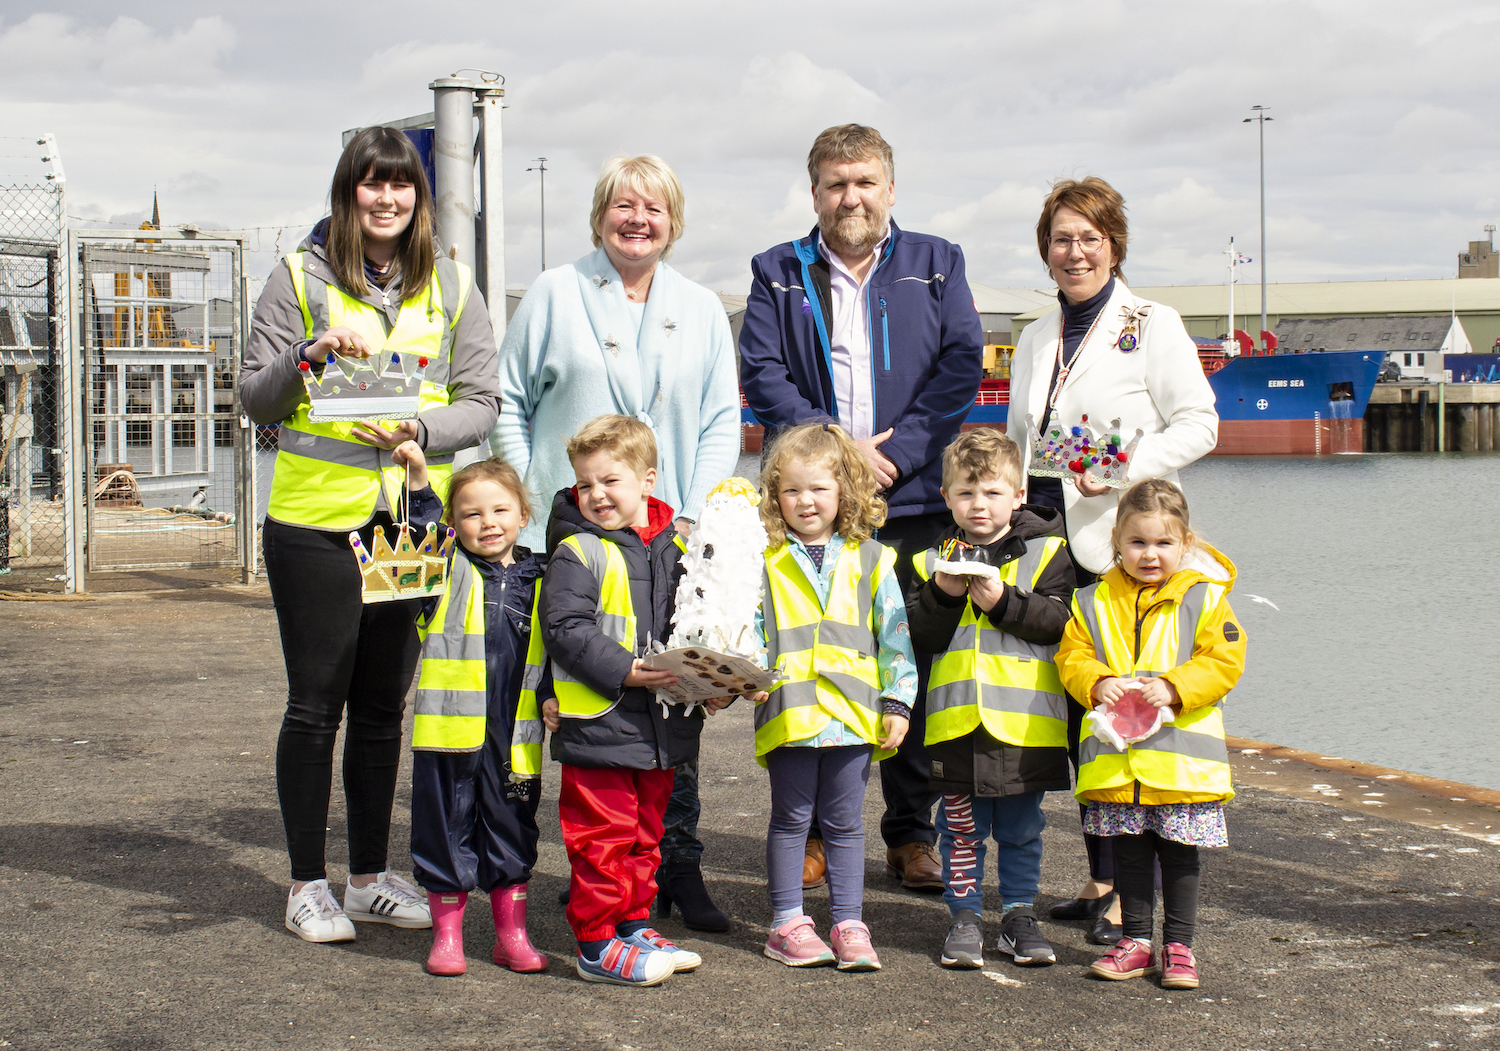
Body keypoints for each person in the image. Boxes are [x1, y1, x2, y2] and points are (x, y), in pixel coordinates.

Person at [241, 127, 500, 943]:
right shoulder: (295, 279)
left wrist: (422, 425)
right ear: (347, 191)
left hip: (410, 522)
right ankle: (305, 883)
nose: (387, 200)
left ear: (419, 198)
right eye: (371, 185)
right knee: (316, 706)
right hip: (317, 523)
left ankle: (369, 876)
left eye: (402, 186)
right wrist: (311, 353)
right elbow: (255, 397)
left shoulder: (450, 286)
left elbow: (483, 399)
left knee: (385, 706)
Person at [494, 154, 739, 930]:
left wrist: (692, 515)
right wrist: (528, 508)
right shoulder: (555, 292)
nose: (638, 219)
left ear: (674, 221)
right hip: (560, 532)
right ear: (600, 214)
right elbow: (509, 401)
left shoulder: (698, 305)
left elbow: (719, 421)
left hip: (665, 539)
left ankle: (677, 862)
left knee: (671, 700)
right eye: (623, 205)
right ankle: (575, 867)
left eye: (653, 208)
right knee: (567, 703)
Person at [740, 124, 984, 893]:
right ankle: (812, 832)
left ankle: (910, 836)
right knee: (812, 662)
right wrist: (838, 455)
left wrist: (900, 451)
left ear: (890, 188)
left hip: (910, 497)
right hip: (816, 505)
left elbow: (961, 364)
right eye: (836, 183)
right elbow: (763, 371)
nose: (852, 196)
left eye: (865, 182)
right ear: (814, 192)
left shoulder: (937, 264)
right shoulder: (777, 270)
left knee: (905, 663)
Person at [1007, 176, 1217, 943]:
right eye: (1061, 238)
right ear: (1046, 250)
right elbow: (1024, 446)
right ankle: (1100, 880)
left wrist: (1126, 469)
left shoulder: (1151, 323)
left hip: (1117, 549)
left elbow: (1201, 423)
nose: (1074, 251)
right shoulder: (1035, 336)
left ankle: (1133, 902)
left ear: (1115, 245)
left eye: (1089, 237)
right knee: (1072, 721)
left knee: (1122, 718)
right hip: (1044, 546)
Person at [536, 414, 731, 987]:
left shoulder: (680, 547)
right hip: (600, 725)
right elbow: (566, 629)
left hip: (663, 729)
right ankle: (596, 943)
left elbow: (696, 626)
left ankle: (632, 924)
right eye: (585, 484)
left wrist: (713, 681)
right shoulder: (577, 551)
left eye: (609, 481)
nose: (596, 495)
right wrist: (627, 670)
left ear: (648, 480)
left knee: (646, 837)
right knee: (602, 840)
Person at [1056, 480, 1245, 989]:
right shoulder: (1091, 600)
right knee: (1130, 854)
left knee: (1180, 856)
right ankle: (1136, 940)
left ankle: (1179, 946)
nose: (1150, 554)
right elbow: (1071, 658)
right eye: (1138, 542)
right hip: (1119, 763)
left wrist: (1175, 686)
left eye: (1164, 543)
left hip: (1180, 763)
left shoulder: (1205, 599)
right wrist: (1098, 681)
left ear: (1186, 544)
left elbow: (1224, 661)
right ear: (1116, 540)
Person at [907, 429, 1074, 970]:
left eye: (992, 493)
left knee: (1023, 830)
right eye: (966, 493)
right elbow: (916, 637)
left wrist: (1006, 603)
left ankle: (1020, 915)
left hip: (1028, 726)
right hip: (956, 728)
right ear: (946, 497)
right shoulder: (927, 560)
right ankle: (964, 917)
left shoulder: (1050, 552)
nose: (979, 505)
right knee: (959, 831)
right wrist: (942, 595)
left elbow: (1061, 626)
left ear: (1019, 494)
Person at [752, 423, 916, 972]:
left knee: (845, 823)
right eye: (792, 490)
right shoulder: (765, 559)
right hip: (791, 708)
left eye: (819, 488)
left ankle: (849, 922)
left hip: (853, 713)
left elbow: (894, 636)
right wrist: (741, 676)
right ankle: (787, 923)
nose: (806, 501)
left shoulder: (872, 559)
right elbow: (749, 630)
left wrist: (897, 702)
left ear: (844, 489)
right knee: (792, 818)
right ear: (775, 496)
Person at [388, 449, 549, 977]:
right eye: (472, 514)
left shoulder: (543, 578)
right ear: (455, 524)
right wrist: (417, 477)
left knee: (512, 825)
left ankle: (511, 935)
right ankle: (448, 938)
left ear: (523, 514)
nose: (488, 523)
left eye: (500, 510)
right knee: (443, 827)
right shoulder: (443, 573)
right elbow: (421, 529)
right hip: (448, 732)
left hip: (514, 733)